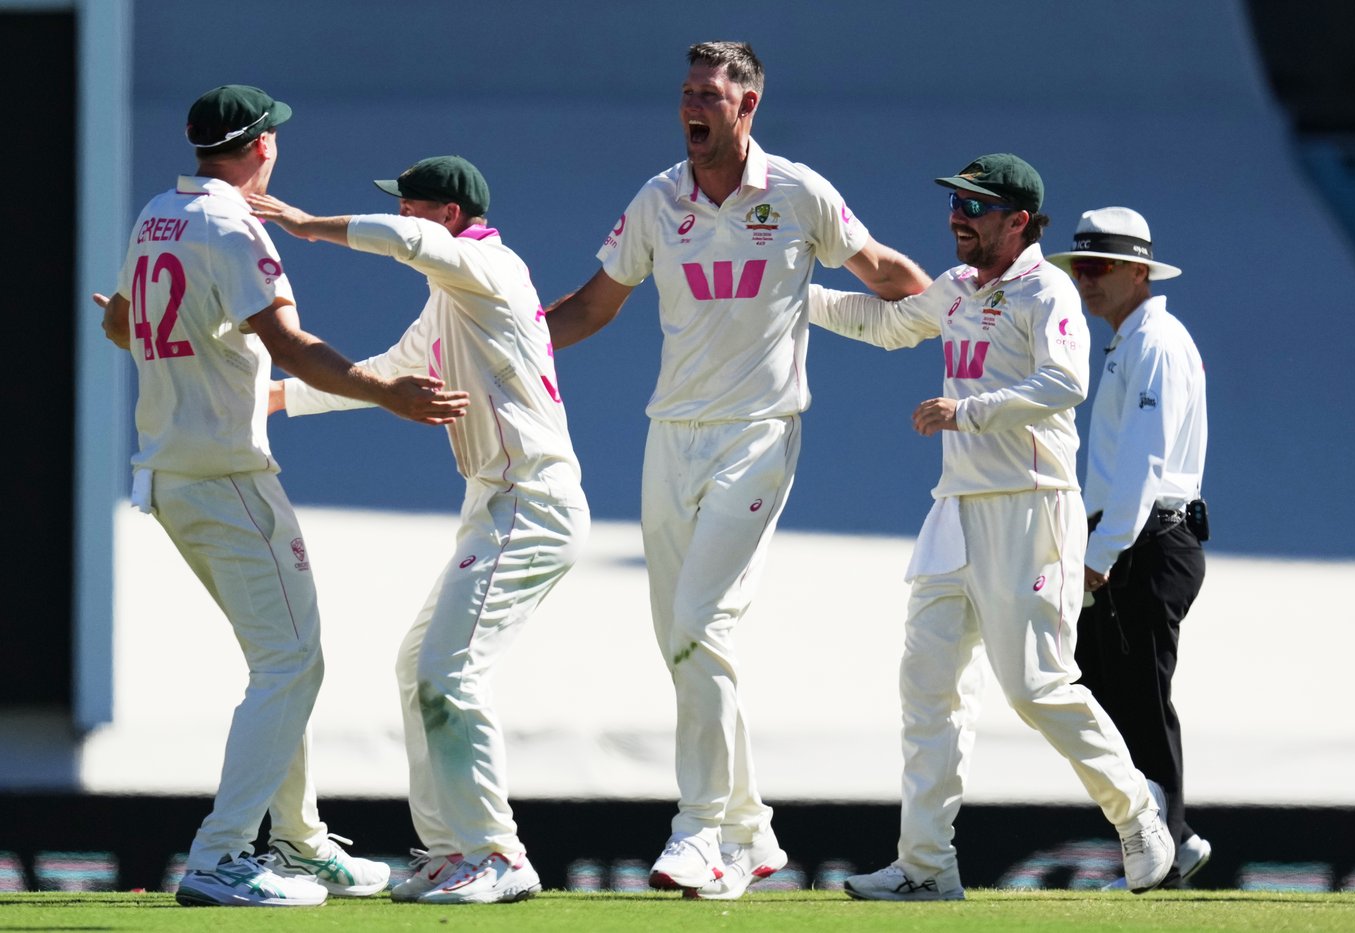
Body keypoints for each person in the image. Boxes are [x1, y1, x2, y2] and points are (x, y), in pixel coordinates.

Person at [545, 41, 931, 900]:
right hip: (669, 436)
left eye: (709, 95)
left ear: (747, 105)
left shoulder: (798, 193)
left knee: (700, 623)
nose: (693, 107)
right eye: (685, 93)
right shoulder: (658, 199)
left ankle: (700, 830)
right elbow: (592, 305)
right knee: (684, 644)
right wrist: (506, 343)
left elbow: (883, 274)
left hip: (760, 434)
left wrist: (962, 305)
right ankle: (752, 828)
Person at [93, 85, 469, 908]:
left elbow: (120, 324)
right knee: (294, 661)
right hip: (227, 475)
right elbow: (291, 344)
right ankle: (222, 853)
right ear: (261, 148)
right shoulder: (233, 227)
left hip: (169, 473)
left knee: (281, 660)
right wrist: (386, 391)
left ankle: (296, 842)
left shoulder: (159, 211)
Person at [805, 154, 1175, 900]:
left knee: (1037, 685)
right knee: (929, 689)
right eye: (956, 205)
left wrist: (965, 410)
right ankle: (925, 864)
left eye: (975, 208)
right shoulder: (958, 289)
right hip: (955, 510)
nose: (957, 219)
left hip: (1031, 505)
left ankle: (1139, 811)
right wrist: (793, 297)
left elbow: (1067, 381)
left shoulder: (1049, 291)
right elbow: (883, 324)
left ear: (1019, 222)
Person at [249, 154, 588, 906]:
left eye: (411, 207)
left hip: (532, 499)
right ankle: (449, 849)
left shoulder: (490, 267)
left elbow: (415, 246)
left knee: (448, 670)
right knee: (419, 666)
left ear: (448, 214)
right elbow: (380, 374)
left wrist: (308, 226)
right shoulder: (447, 301)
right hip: (495, 502)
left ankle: (497, 853)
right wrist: (271, 399)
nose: (402, 219)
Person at [1046, 207, 1210, 888]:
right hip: (1134, 537)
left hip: (1148, 539)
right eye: (1080, 266)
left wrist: (1100, 553)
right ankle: (1173, 836)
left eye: (1101, 266)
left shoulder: (1154, 343)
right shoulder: (1132, 341)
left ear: (1138, 271)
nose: (1086, 279)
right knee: (1103, 681)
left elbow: (1142, 465)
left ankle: (1163, 851)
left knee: (1139, 693)